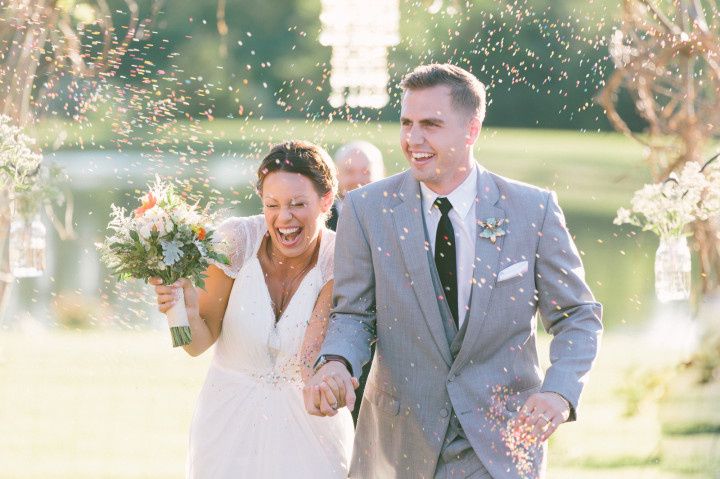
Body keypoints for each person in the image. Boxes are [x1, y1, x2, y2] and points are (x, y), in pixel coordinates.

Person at [304, 64, 603, 478]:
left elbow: (577, 317)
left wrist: (559, 392)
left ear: (472, 130)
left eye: (431, 124)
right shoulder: (365, 209)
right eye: (407, 123)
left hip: (501, 445)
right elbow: (353, 315)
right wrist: (336, 362)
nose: (413, 139)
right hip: (397, 446)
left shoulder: (532, 210)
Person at [151, 141, 354, 478]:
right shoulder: (235, 241)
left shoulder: (340, 258)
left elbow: (313, 356)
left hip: (310, 429)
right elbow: (197, 344)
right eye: (271, 205)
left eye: (297, 204)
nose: (283, 218)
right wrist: (181, 312)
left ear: (326, 200)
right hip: (227, 423)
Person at [326, 141, 385, 231]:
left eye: (366, 171)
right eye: (349, 171)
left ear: (382, 174)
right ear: (336, 175)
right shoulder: (321, 223)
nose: (357, 180)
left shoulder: (395, 219)